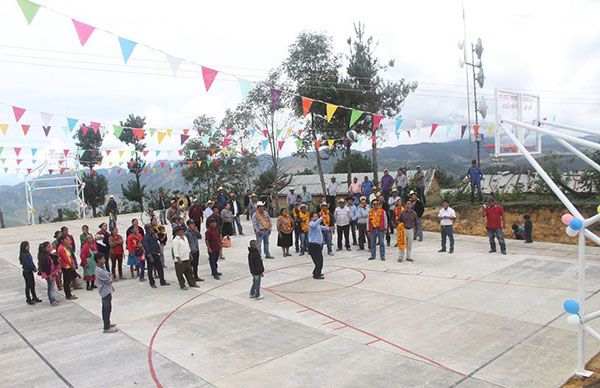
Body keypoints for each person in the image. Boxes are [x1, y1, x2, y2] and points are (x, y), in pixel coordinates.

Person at [94, 252, 118, 333]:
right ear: (98, 260)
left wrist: (110, 276)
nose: (104, 260)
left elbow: (109, 274)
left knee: (108, 308)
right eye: (103, 259)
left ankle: (107, 323)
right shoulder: (99, 271)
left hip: (107, 291)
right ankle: (106, 327)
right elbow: (109, 280)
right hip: (104, 291)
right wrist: (111, 277)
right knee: (106, 309)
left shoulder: (102, 268)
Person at [308, 212, 333, 279]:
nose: (316, 218)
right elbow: (314, 225)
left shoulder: (318, 225)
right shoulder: (311, 224)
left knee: (320, 260)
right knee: (318, 261)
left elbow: (323, 228)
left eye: (317, 216)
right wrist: (321, 218)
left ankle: (316, 272)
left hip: (318, 245)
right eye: (315, 216)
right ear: (311, 218)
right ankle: (316, 275)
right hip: (313, 245)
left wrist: (330, 228)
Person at [38, 241, 60, 306]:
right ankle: (52, 300)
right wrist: (49, 275)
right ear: (45, 248)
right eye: (49, 246)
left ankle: (53, 298)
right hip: (48, 274)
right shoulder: (43, 257)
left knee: (52, 286)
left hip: (52, 272)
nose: (51, 247)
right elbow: (45, 267)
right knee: (50, 287)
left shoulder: (49, 254)